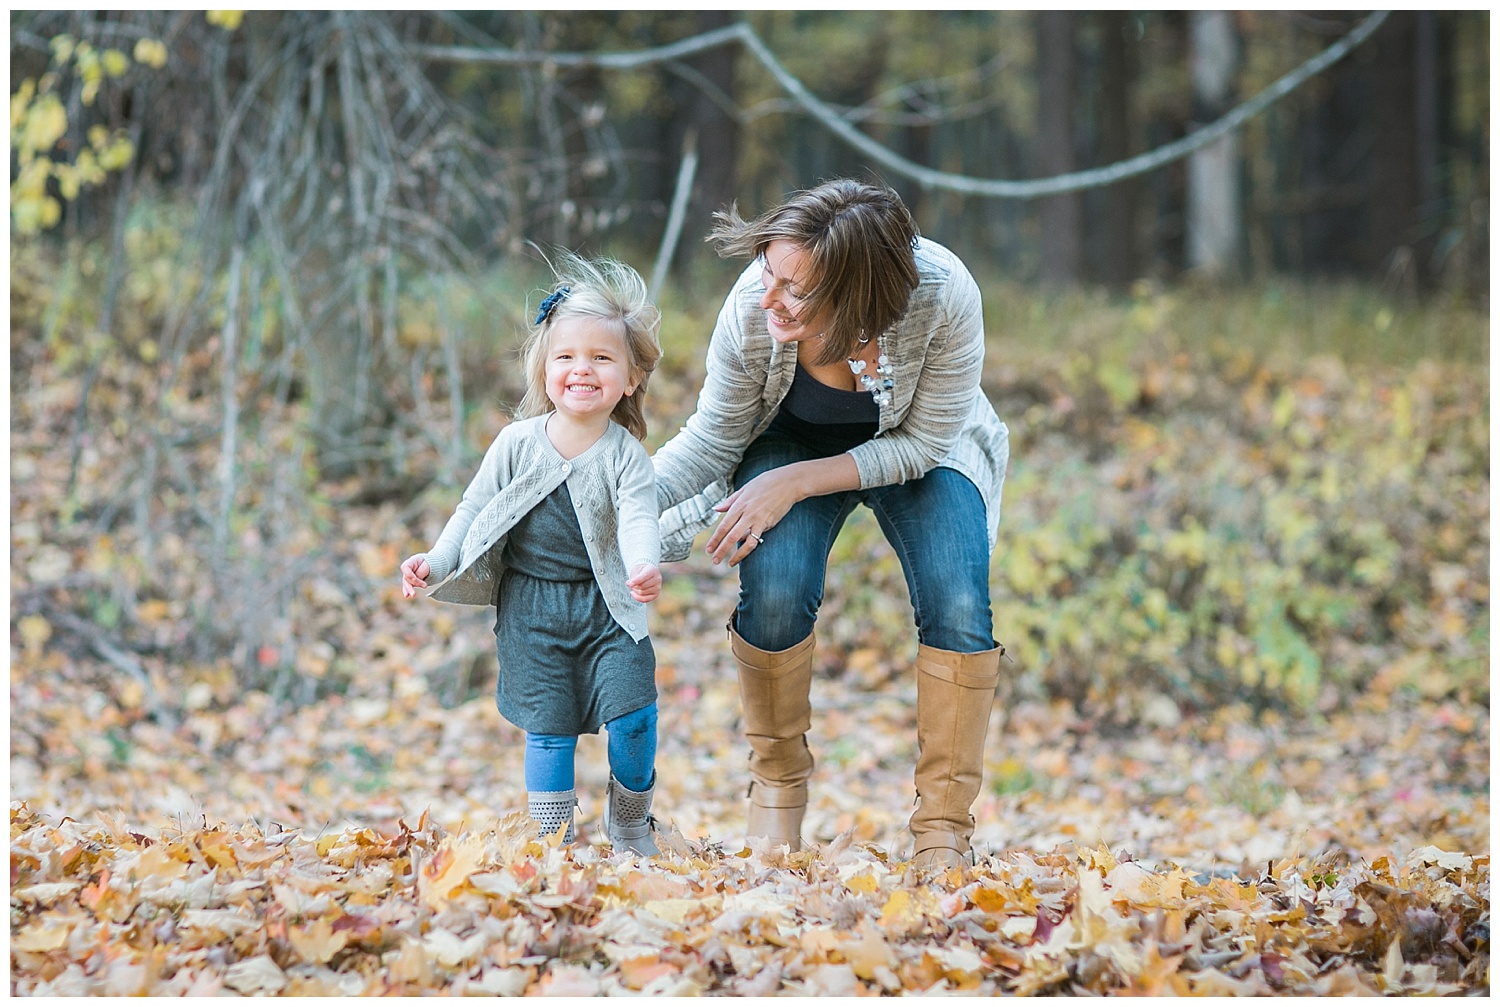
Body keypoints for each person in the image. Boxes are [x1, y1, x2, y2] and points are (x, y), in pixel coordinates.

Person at [654, 179, 1010, 870]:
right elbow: (711, 441)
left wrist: (790, 484)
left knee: (959, 598)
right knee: (778, 587)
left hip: (923, 444)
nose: (769, 297)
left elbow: (922, 446)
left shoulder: (945, 296)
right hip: (788, 435)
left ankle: (943, 830)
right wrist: (617, 504)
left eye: (796, 288)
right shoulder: (751, 312)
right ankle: (778, 796)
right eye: (768, 272)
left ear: (856, 293)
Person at [399, 253, 665, 855]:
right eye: (566, 357)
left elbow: (639, 518)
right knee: (548, 733)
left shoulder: (626, 455)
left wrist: (643, 565)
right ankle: (552, 843)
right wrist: (437, 560)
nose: (582, 369)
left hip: (609, 607)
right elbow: (473, 510)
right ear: (544, 369)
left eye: (601, 358)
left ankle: (629, 819)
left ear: (630, 378)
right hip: (531, 610)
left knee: (634, 716)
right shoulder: (516, 444)